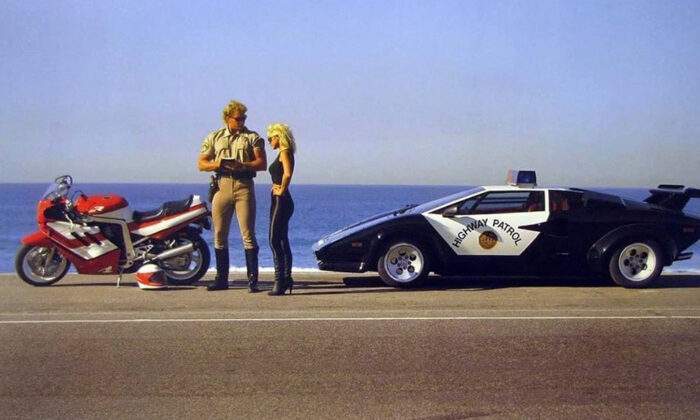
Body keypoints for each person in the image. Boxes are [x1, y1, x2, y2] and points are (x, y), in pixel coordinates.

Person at [198, 100, 267, 292]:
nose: (242, 121)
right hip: (222, 185)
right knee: (219, 234)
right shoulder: (215, 137)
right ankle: (221, 279)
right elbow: (202, 163)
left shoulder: (252, 137)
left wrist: (243, 165)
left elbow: (262, 163)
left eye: (244, 118)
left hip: (244, 185)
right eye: (238, 118)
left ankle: (253, 281)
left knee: (248, 234)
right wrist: (218, 164)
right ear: (228, 118)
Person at [266, 123, 296, 295]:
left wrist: (282, 189)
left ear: (279, 136)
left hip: (281, 200)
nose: (269, 141)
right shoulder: (284, 152)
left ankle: (280, 281)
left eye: (270, 138)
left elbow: (287, 173)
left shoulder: (285, 152)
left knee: (274, 239)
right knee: (282, 239)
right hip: (280, 199)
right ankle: (286, 279)